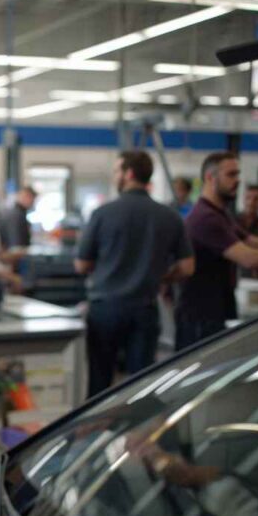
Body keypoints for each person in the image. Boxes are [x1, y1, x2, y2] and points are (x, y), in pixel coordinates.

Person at [75, 150, 195, 397]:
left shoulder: (103, 213)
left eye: (117, 171)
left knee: (99, 383)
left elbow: (81, 265)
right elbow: (187, 267)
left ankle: (98, 432)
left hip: (105, 310)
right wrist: (162, 276)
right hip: (144, 309)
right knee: (141, 386)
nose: (115, 176)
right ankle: (137, 434)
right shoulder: (169, 216)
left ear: (128, 174)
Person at [175, 152, 258, 351]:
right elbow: (249, 258)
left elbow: (250, 240)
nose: (237, 180)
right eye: (231, 175)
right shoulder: (206, 218)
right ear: (210, 178)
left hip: (216, 308)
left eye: (238, 175)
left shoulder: (220, 213)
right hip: (200, 315)